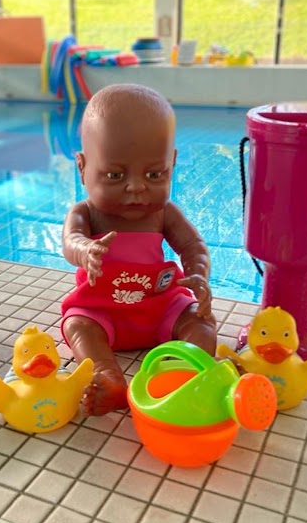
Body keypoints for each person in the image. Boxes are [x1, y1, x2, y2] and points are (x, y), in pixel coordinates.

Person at [61, 83, 217, 417]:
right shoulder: (85, 213)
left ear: (171, 164)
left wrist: (197, 276)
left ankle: (180, 376)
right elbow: (70, 241)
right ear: (82, 167)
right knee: (77, 325)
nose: (136, 187)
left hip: (160, 307)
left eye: (154, 173)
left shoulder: (163, 213)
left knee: (201, 322)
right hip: (102, 310)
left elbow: (193, 246)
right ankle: (109, 377)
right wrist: (85, 250)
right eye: (115, 175)